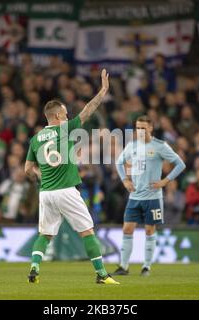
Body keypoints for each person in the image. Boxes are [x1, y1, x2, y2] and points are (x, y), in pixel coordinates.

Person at [24, 69, 119, 284]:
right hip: (66, 190)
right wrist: (103, 91)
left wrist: (41, 175)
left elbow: (27, 169)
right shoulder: (65, 129)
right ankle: (102, 275)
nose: (67, 116)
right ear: (58, 116)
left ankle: (34, 267)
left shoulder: (36, 139)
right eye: (65, 113)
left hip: (46, 193)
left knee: (45, 235)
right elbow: (88, 110)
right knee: (88, 231)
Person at [112, 115, 185, 276]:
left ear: (151, 128)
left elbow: (180, 164)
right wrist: (125, 180)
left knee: (149, 230)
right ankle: (124, 266)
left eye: (143, 128)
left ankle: (146, 266)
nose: (140, 131)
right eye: (138, 128)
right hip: (135, 196)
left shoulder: (160, 146)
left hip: (153, 197)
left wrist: (165, 181)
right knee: (127, 229)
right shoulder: (132, 145)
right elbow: (119, 162)